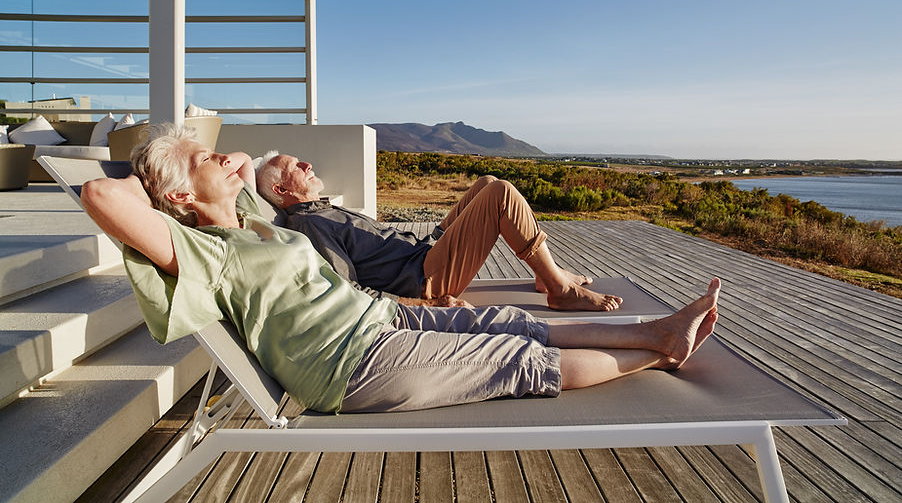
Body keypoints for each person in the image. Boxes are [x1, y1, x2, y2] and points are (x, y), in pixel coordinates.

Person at [81, 123, 720, 414]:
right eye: (205, 160)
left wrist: (198, 164)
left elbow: (248, 163)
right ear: (179, 199)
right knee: (513, 360)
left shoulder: (254, 223)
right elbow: (101, 196)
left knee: (510, 321)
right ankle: (659, 348)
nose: (224, 157)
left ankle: (655, 325)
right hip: (348, 364)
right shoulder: (203, 251)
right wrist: (154, 174)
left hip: (380, 321)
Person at [255, 152, 624, 311]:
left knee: (487, 182)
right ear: (282, 192)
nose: (307, 164)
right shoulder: (309, 225)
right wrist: (429, 305)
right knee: (501, 194)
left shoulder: (319, 210)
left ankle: (547, 274)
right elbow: (347, 291)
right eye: (295, 166)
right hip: (424, 276)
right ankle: (558, 290)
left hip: (422, 250)